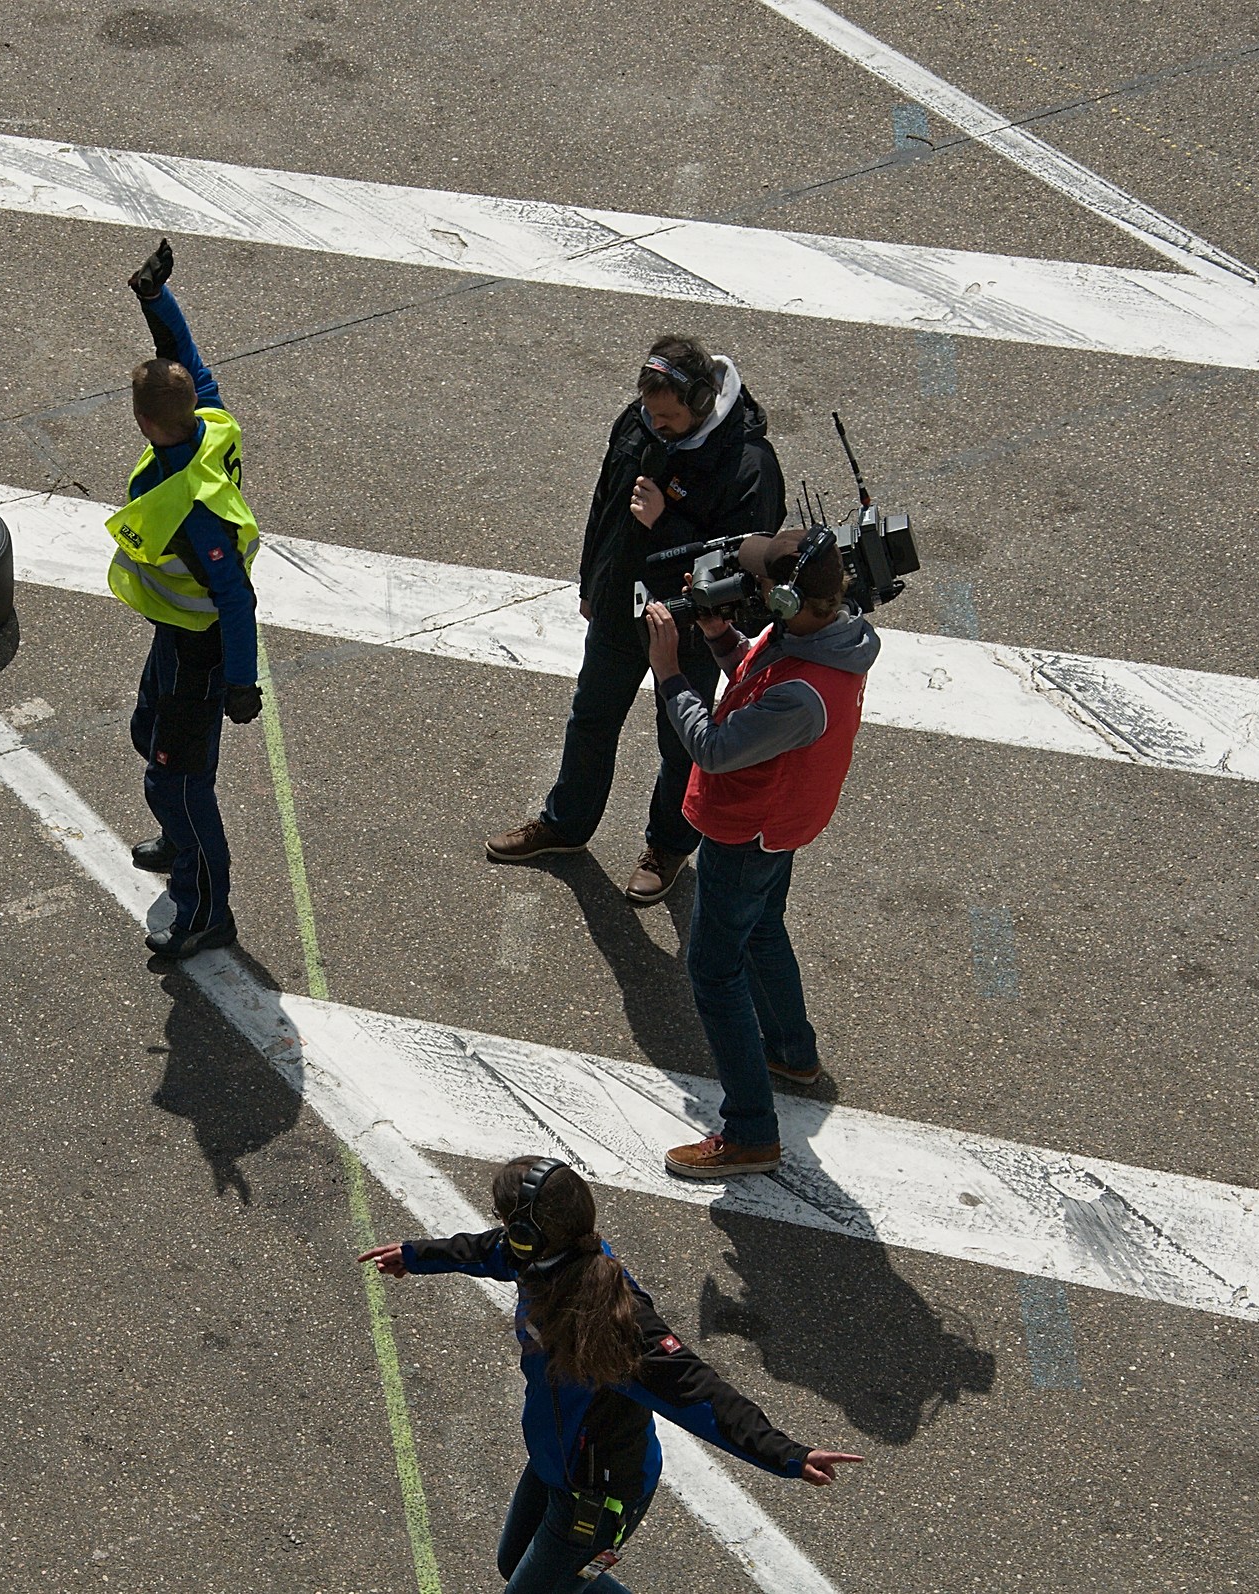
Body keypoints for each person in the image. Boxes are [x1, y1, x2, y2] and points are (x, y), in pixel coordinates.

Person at [361, 1157, 861, 1593]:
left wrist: (789, 1455)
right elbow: (487, 1250)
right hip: (557, 1460)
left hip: (598, 1495)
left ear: (530, 1233)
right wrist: (416, 1256)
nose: (502, 1231)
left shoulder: (617, 1324)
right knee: (513, 1564)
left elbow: (701, 1391)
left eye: (506, 1219)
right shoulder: (537, 1256)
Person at [485, 336, 785, 906]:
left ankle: (668, 847)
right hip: (621, 606)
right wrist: (591, 582)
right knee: (591, 718)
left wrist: (666, 523)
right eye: (649, 410)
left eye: (667, 416)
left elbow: (748, 562)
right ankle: (566, 825)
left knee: (680, 741)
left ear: (700, 402)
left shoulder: (749, 464)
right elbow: (606, 503)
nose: (655, 422)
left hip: (693, 626)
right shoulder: (639, 422)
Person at [643, 530, 879, 1178]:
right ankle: (792, 1052)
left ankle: (750, 1132)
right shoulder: (827, 635)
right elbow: (754, 674)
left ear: (786, 602)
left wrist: (669, 670)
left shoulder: (801, 693)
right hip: (778, 826)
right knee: (763, 929)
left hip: (745, 831)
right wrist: (721, 638)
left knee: (714, 972)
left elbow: (715, 746)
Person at [105, 239, 264, 959]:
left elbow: (234, 596)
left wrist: (241, 681)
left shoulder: (188, 506)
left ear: (144, 424)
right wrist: (152, 296)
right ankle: (176, 841)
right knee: (149, 736)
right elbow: (182, 350)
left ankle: (205, 911)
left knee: (181, 783)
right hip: (174, 636)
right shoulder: (209, 419)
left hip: (202, 656)